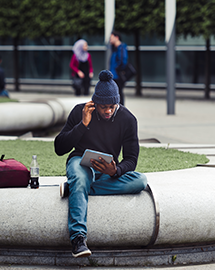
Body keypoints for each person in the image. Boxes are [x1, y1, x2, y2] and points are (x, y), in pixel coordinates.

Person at [54, 70, 147, 258]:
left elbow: (131, 159)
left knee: (140, 181)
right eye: (103, 106)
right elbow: (59, 147)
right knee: (80, 177)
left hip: (107, 170)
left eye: (112, 106)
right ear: (94, 103)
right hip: (80, 162)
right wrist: (83, 124)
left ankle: (75, 188)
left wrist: (116, 170)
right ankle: (78, 239)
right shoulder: (80, 111)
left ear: (117, 102)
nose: (107, 111)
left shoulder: (128, 120)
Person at [109, 30, 128, 106]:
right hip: (115, 75)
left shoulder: (121, 48)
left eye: (111, 38)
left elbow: (123, 61)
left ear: (116, 37)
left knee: (119, 93)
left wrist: (118, 69)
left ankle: (121, 109)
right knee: (116, 93)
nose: (110, 40)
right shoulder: (115, 48)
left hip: (117, 75)